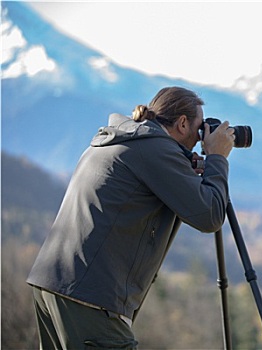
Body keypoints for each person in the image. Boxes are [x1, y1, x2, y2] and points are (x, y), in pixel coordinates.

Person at [26, 86, 235, 349]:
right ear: (182, 123)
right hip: (91, 296)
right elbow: (210, 215)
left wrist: (185, 167)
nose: (200, 139)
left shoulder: (122, 139)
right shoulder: (155, 149)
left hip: (54, 284)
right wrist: (217, 158)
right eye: (198, 129)